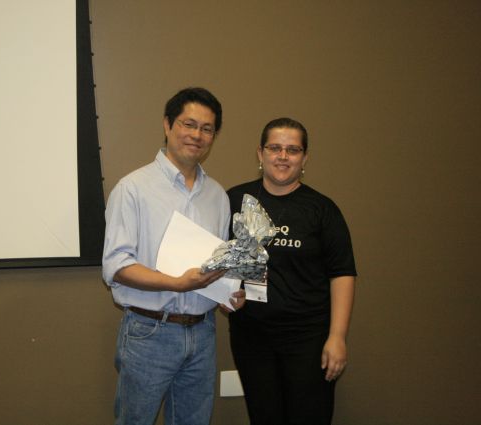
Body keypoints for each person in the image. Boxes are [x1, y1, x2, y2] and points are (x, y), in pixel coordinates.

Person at [102, 87, 245, 425]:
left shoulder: (217, 196)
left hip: (203, 331)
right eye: (188, 124)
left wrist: (228, 294)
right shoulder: (133, 189)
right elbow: (116, 265)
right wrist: (177, 284)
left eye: (207, 128)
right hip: (149, 332)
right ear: (167, 124)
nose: (197, 135)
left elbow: (216, 263)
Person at [227, 117, 357, 425]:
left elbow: (342, 274)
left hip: (308, 339)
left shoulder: (322, 209)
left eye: (293, 150)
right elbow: (219, 259)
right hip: (252, 338)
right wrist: (225, 295)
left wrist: (337, 337)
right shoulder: (235, 200)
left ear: (304, 157)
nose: (282, 156)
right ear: (260, 153)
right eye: (274, 148)